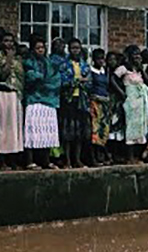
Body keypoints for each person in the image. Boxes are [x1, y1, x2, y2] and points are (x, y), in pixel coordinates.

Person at [22, 34, 62, 170]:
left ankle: (45, 160)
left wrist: (42, 80)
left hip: (49, 100)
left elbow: (56, 79)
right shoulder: (28, 61)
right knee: (32, 131)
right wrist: (42, 80)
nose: (41, 50)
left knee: (47, 131)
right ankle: (29, 161)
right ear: (32, 49)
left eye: (42, 47)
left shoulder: (49, 62)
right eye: (38, 47)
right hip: (33, 100)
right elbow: (30, 77)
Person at [0, 30, 25, 170]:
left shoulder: (18, 59)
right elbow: (1, 76)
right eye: (6, 41)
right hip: (2, 94)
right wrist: (8, 60)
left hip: (14, 95)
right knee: (2, 128)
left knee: (13, 129)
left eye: (11, 41)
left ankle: (13, 159)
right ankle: (1, 160)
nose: (9, 44)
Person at [59, 38, 92, 168]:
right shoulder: (64, 65)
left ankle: (77, 159)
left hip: (81, 101)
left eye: (77, 48)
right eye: (73, 48)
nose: (75, 50)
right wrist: (76, 82)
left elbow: (89, 82)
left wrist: (83, 82)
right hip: (69, 100)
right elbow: (62, 82)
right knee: (68, 131)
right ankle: (67, 160)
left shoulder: (84, 65)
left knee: (80, 132)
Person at [116, 46, 148, 162]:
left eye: (138, 54)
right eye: (135, 54)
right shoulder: (123, 68)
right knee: (130, 127)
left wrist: (141, 69)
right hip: (130, 100)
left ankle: (137, 155)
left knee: (139, 128)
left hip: (140, 101)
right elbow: (112, 79)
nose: (137, 56)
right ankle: (129, 156)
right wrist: (121, 92)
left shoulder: (138, 69)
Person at [88, 48, 111, 165]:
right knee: (94, 130)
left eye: (102, 58)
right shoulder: (90, 71)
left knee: (104, 130)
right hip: (95, 103)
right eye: (98, 58)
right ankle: (93, 158)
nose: (101, 61)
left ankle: (102, 155)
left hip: (105, 104)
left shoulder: (105, 71)